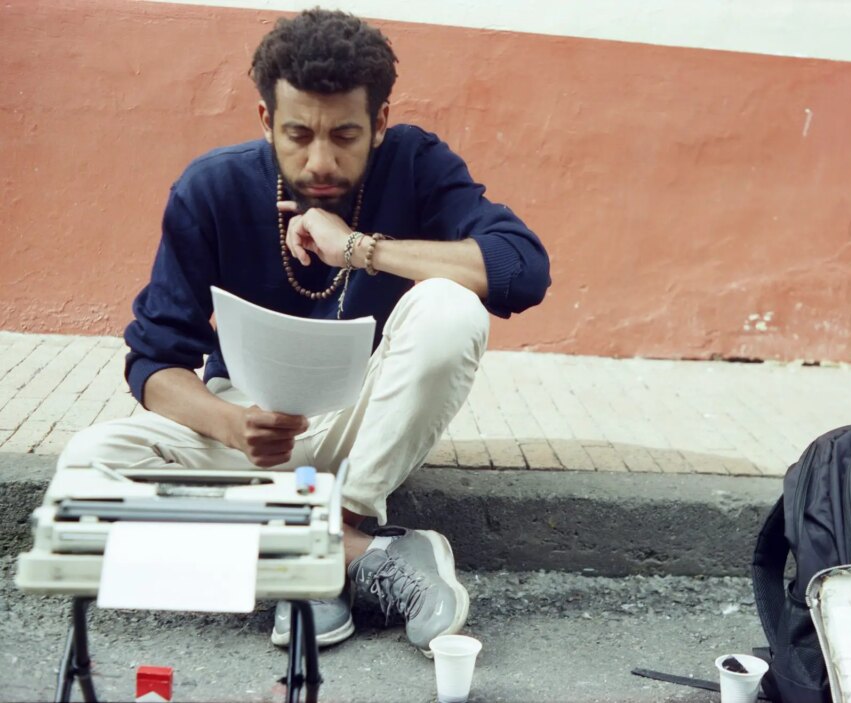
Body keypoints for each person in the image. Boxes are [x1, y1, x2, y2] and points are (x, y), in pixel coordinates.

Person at [57, 8, 550, 655]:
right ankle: (355, 555)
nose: (320, 159)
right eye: (297, 133)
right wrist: (232, 425)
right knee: (83, 470)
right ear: (265, 121)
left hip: (363, 428)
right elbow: (154, 363)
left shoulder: (414, 162)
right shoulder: (212, 189)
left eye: (345, 134)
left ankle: (329, 539)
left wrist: (360, 248)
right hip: (252, 432)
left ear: (378, 123)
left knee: (451, 308)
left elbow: (522, 268)